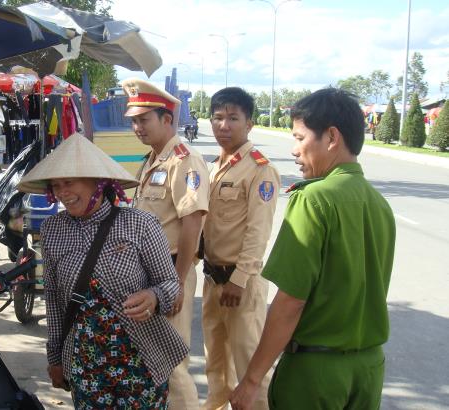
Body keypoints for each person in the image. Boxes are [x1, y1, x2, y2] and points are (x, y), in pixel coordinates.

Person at [230, 88, 396, 410]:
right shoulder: (380, 204)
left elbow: (291, 301)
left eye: (299, 138)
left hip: (315, 375)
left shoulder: (313, 199)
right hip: (369, 369)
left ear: (331, 137)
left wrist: (252, 380)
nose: (293, 150)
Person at [18, 134, 188, 409]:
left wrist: (154, 296)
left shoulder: (140, 224)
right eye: (56, 185)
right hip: (85, 365)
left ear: (99, 181)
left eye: (69, 182)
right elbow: (53, 299)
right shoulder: (53, 229)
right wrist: (54, 358)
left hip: (141, 362)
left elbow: (170, 283)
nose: (62, 193)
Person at [122, 77, 209, 410]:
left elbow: (193, 222)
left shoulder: (183, 160)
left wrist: (176, 281)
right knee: (153, 360)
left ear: (167, 119)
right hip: (148, 275)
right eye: (133, 120)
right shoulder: (153, 159)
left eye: (143, 120)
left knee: (170, 362)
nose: (137, 127)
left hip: (171, 271)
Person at [199, 87, 281, 410]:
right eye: (218, 118)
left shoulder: (259, 169)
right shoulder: (215, 166)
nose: (224, 125)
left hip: (240, 285)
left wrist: (239, 278)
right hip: (212, 281)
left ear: (249, 124)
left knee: (250, 368)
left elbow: (258, 232)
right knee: (215, 361)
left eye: (233, 118)